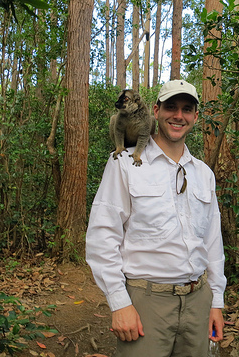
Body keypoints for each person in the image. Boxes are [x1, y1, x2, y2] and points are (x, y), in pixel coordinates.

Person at [86, 79, 226, 357]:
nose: (178, 115)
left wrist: (216, 301)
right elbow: (103, 236)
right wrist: (119, 303)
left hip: (198, 301)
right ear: (156, 110)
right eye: (171, 107)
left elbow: (212, 242)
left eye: (187, 109)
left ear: (195, 117)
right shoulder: (125, 163)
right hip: (146, 301)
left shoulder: (203, 173)